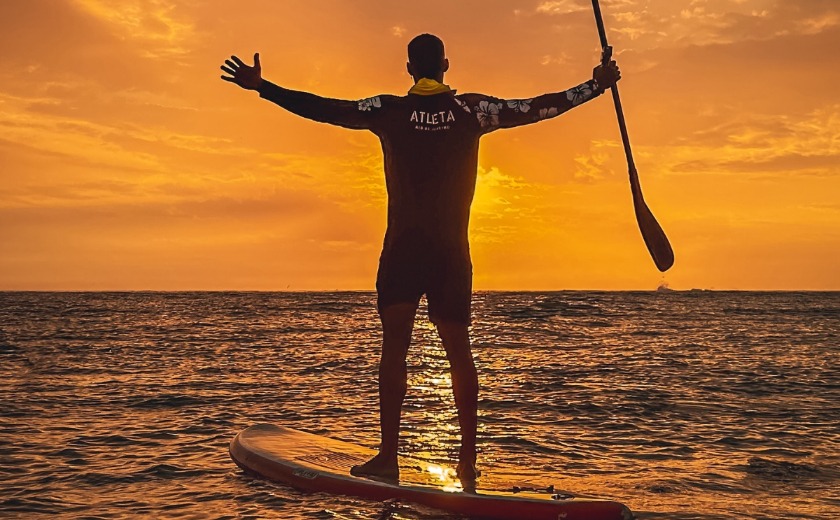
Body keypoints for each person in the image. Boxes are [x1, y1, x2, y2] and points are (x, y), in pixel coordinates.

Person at [221, 33, 620, 485]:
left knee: (395, 352)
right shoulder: (473, 111)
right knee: (459, 354)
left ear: (409, 68)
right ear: (446, 65)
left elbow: (323, 108)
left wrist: (263, 87)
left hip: (403, 250)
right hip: (451, 253)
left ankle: (388, 458)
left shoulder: (388, 111)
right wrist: (596, 85)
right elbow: (540, 106)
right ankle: (467, 463)